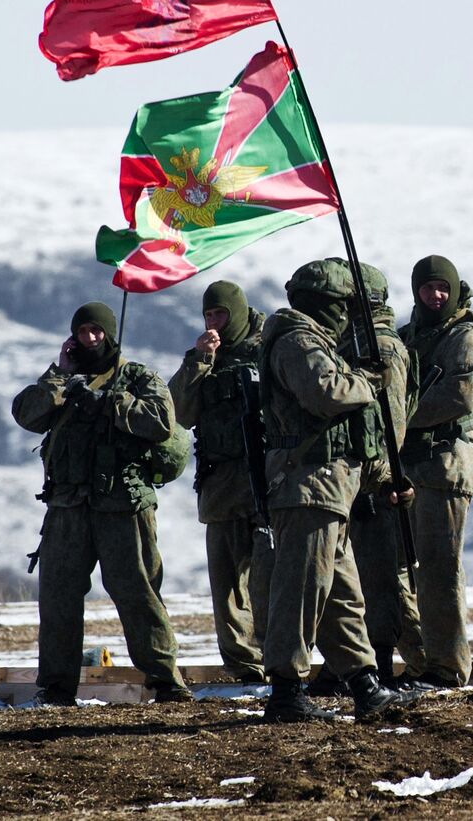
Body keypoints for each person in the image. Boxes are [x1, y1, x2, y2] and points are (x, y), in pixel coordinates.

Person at [11, 301, 192, 705]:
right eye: (82, 331)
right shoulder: (64, 380)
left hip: (123, 507)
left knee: (138, 593)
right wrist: (59, 376)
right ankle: (56, 688)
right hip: (68, 508)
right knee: (58, 597)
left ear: (110, 334)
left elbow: (162, 422)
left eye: (96, 331)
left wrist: (110, 403)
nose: (89, 338)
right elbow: (25, 413)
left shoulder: (138, 377)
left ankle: (166, 682)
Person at [258, 260, 404, 722]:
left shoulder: (315, 340)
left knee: (340, 593)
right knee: (301, 590)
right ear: (331, 306)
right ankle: (285, 691)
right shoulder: (300, 341)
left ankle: (364, 683)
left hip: (328, 486)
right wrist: (368, 381)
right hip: (308, 484)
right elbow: (327, 391)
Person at [397, 256, 473, 691]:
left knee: (439, 568)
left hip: (445, 463)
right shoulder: (409, 337)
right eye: (426, 288)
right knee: (404, 568)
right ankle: (422, 661)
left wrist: (395, 416)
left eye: (442, 288)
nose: (435, 296)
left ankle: (448, 668)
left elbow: (459, 395)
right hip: (410, 463)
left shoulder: (465, 335)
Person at [168, 280, 268, 683]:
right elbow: (177, 411)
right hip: (221, 485)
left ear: (238, 313)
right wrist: (198, 361)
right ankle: (245, 666)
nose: (215, 322)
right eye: (209, 314)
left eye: (221, 314)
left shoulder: (268, 350)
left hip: (264, 482)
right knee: (226, 585)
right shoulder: (202, 360)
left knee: (270, 578)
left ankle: (281, 658)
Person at [340, 262, 424, 690]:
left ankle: (397, 663)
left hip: (377, 479)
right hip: (362, 477)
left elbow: (390, 421)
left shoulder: (383, 347)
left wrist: (381, 477)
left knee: (385, 577)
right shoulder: (355, 341)